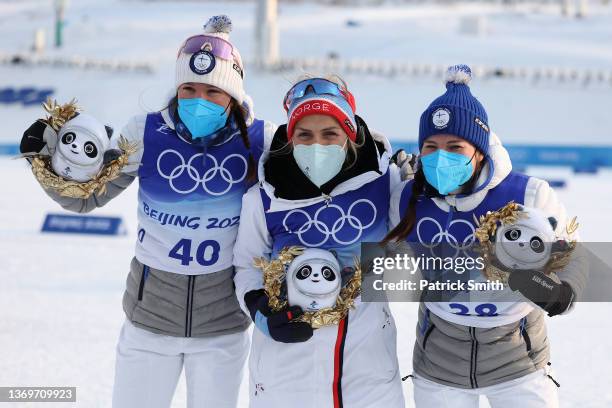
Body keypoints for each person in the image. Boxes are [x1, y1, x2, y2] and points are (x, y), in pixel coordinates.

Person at [19, 15, 276, 408]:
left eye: (212, 91)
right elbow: (85, 197)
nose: (198, 100)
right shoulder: (144, 133)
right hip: (149, 323)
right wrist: (46, 160)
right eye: (188, 88)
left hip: (222, 328)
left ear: (234, 96)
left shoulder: (261, 141)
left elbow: (320, 169)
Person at [385, 64, 587, 408]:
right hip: (439, 365)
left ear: (479, 150)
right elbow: (388, 261)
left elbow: (573, 256)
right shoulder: (407, 197)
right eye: (430, 146)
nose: (440, 157)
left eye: (455, 146)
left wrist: (562, 294)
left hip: (518, 364)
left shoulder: (528, 195)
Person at [233, 75, 406, 408]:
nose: (318, 145)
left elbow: (412, 261)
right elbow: (246, 265)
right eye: (305, 135)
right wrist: (261, 313)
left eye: (330, 134)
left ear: (350, 134)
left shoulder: (386, 183)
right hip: (285, 367)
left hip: (368, 370)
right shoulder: (264, 198)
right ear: (290, 136)